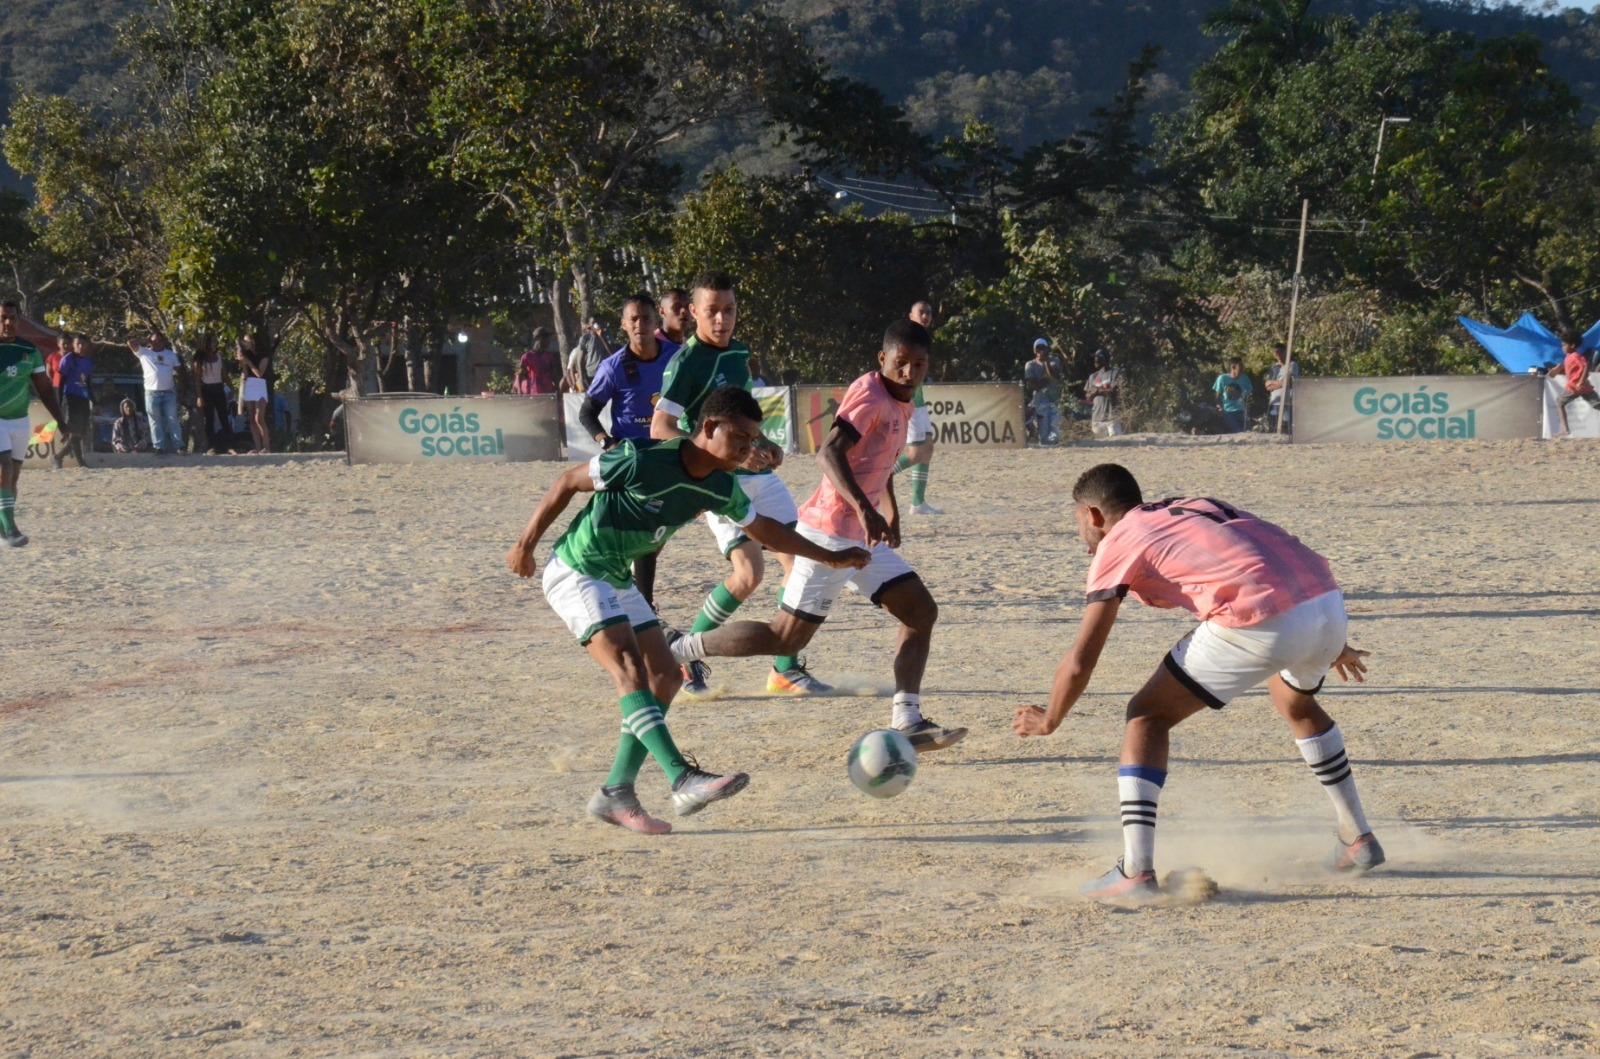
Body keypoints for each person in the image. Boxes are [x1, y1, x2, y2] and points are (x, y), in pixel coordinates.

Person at [506, 386, 869, 834]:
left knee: (663, 674)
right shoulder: (642, 459)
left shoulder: (720, 485)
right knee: (629, 670)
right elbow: (567, 482)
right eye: (740, 437)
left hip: (615, 575)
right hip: (578, 569)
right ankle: (682, 777)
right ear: (710, 427)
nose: (747, 449)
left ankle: (616, 790)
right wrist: (525, 546)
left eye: (754, 440)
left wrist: (830, 556)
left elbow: (767, 530)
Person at [1014, 463, 1383, 902]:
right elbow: (1260, 550)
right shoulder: (1191, 507)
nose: (1082, 536)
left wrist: (1050, 717)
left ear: (1094, 515)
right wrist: (1328, 637)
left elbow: (1081, 659)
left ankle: (1134, 871)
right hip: (1325, 602)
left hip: (1267, 618)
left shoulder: (1118, 540)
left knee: (1147, 716)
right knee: (1296, 705)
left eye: (1078, 523)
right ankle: (1357, 838)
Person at [670, 320, 968, 753]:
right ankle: (679, 649)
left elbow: (876, 461)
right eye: (900, 363)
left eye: (918, 365)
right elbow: (829, 453)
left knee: (920, 613)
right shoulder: (870, 393)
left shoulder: (902, 401)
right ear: (882, 359)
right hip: (829, 535)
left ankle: (908, 720)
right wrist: (866, 509)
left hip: (861, 538)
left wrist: (890, 509)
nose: (909, 372)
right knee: (783, 639)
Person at [651, 270, 822, 699]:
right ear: (693, 313)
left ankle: (785, 668)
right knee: (748, 575)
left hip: (760, 478)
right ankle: (687, 657)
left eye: (729, 310)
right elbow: (660, 428)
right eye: (712, 311)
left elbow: (744, 418)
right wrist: (715, 457)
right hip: (721, 483)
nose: (722, 319)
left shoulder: (739, 353)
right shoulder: (686, 363)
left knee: (800, 564)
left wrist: (767, 444)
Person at [579, 293, 677, 609]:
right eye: (633, 319)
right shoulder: (614, 367)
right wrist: (606, 443)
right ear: (624, 325)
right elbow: (587, 413)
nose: (640, 324)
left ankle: (636, 593)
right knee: (646, 532)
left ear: (655, 322)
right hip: (631, 462)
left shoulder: (677, 358)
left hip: (671, 454)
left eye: (646, 318)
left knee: (655, 533)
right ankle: (643, 601)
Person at [0, 302, 71, 545]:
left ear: (18, 320)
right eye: (2, 318)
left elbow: (44, 389)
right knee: (4, 470)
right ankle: (11, 531)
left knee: (13, 479)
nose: (7, 323)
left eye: (12, 318)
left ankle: (3, 524)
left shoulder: (28, 350)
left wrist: (61, 422)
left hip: (19, 422)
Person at [894, 300, 941, 515]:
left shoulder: (922, 338)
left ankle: (918, 503)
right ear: (911, 315)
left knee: (927, 449)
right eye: (921, 312)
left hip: (918, 404)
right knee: (915, 454)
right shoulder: (908, 338)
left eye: (928, 313)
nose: (926, 316)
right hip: (910, 401)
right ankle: (879, 478)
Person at [129, 330, 184, 455]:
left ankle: (179, 446)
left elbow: (179, 370)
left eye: (160, 340)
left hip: (169, 392)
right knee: (155, 421)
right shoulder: (144, 353)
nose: (157, 343)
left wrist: (181, 388)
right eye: (154, 341)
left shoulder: (170, 354)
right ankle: (159, 447)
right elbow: (130, 343)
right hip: (152, 393)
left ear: (164, 341)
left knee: (173, 419)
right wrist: (146, 340)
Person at [53, 332, 95, 468]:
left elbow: (87, 382)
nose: (81, 347)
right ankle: (78, 462)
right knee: (72, 431)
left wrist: (94, 401)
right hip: (71, 397)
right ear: (73, 345)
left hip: (83, 398)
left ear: (87, 345)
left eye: (83, 344)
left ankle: (60, 457)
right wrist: (59, 402)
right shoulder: (68, 359)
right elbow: (61, 382)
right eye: (78, 344)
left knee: (80, 432)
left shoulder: (88, 361)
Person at [191, 334, 237, 455]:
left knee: (224, 418)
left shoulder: (219, 356)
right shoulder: (199, 359)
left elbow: (224, 374)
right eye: (212, 342)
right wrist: (200, 396)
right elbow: (197, 379)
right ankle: (211, 447)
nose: (215, 344)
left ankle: (230, 446)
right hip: (206, 390)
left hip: (219, 388)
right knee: (209, 419)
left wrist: (232, 388)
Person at [1551, 334, 1600, 438]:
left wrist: (1582, 380)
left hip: (1574, 387)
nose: (1562, 347)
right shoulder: (1569, 357)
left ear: (1572, 345)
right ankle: (1565, 429)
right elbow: (1572, 369)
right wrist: (1559, 369)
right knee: (1597, 405)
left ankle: (1565, 429)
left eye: (1564, 345)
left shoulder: (1575, 356)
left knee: (1559, 403)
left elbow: (1586, 365)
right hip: (1583, 387)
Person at [237, 335, 272, 453]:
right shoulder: (247, 355)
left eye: (246, 341)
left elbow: (259, 373)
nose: (245, 343)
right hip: (250, 384)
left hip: (260, 384)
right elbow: (246, 373)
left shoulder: (263, 355)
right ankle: (257, 447)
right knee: (251, 418)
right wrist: (242, 361)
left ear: (253, 341)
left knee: (259, 418)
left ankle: (266, 446)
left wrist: (249, 362)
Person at [1025, 338, 1061, 445]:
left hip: (1054, 402)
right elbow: (1033, 386)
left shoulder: (1054, 360)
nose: (1040, 351)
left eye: (1042, 348)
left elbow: (1054, 376)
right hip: (1040, 403)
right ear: (1034, 350)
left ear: (1047, 349)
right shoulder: (1030, 365)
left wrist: (1046, 362)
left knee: (1056, 434)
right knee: (1044, 436)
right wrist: (1048, 379)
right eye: (1038, 348)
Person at [1084, 350, 1123, 438]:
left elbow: (1113, 390)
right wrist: (1092, 394)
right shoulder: (1093, 376)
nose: (1095, 360)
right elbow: (1088, 396)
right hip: (1097, 419)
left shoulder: (1115, 372)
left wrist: (1097, 390)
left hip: (1111, 418)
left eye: (1098, 358)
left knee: (1117, 445)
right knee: (1102, 448)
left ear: (1105, 359)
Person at [565, 317, 609, 393]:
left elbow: (611, 353)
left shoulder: (607, 336)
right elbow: (579, 360)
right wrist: (581, 378)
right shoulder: (585, 339)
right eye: (594, 322)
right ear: (590, 325)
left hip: (604, 373)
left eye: (598, 322)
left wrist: (601, 337)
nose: (596, 324)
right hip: (591, 374)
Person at [1264, 342, 1300, 433]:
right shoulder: (1274, 367)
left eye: (1280, 351)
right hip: (1275, 401)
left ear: (1285, 352)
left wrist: (1273, 383)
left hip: (1287, 401)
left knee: (1286, 427)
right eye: (1275, 352)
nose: (1278, 353)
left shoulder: (1292, 365)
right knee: (1273, 427)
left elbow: (1288, 382)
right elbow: (1268, 387)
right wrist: (1278, 383)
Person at [1213, 358, 1253, 434]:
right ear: (1233, 367)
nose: (1243, 367)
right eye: (1240, 365)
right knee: (1236, 431)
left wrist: (1247, 408)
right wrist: (1220, 407)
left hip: (1241, 410)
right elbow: (1217, 395)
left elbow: (1249, 395)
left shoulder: (1245, 378)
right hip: (1228, 411)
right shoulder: (1222, 378)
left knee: (1247, 431)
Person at [517, 328, 561, 395]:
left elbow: (554, 375)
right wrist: (519, 390)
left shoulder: (549, 356)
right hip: (535, 393)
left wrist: (558, 389)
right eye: (547, 338)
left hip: (549, 393)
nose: (549, 341)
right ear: (540, 338)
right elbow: (520, 374)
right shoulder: (527, 356)